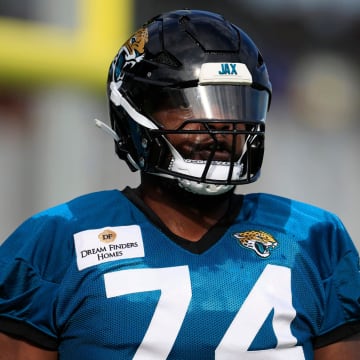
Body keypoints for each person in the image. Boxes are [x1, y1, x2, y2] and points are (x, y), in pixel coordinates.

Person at [0, 9, 359, 360]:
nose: (219, 128)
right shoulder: (54, 241)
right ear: (135, 114)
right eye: (191, 105)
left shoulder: (313, 237)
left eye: (232, 105)